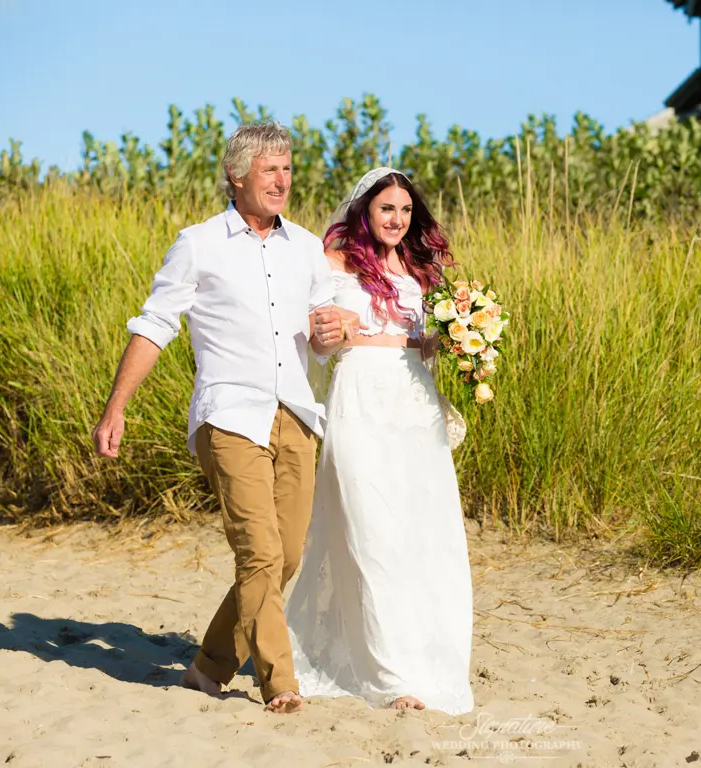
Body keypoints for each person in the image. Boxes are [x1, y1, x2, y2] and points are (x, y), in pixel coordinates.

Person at [91, 123, 360, 714]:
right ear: (236, 176)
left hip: (296, 415)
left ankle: (208, 667)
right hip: (230, 415)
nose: (282, 181)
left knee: (286, 557)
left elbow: (322, 338)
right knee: (259, 554)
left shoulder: (306, 247)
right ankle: (280, 682)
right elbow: (155, 324)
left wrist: (329, 333)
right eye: (270, 170)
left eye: (287, 169)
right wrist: (117, 407)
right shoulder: (198, 244)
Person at [284, 167, 475, 714]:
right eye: (387, 208)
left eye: (406, 210)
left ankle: (423, 659)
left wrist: (460, 339)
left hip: (414, 404)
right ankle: (390, 678)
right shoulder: (333, 263)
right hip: (358, 400)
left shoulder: (419, 270)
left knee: (421, 534)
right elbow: (317, 345)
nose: (397, 219)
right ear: (365, 209)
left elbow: (424, 344)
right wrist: (331, 334)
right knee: (370, 532)